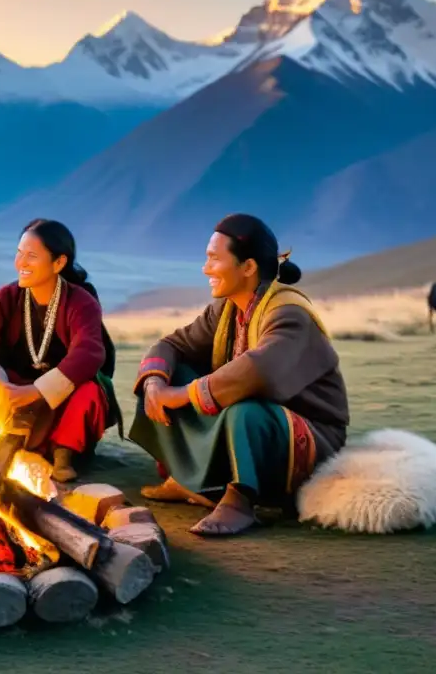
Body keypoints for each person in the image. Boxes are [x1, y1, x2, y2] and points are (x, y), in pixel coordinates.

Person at [128, 213, 350, 537]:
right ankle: (188, 479)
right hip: (257, 422)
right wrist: (155, 384)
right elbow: (172, 344)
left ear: (248, 267)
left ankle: (240, 500)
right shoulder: (225, 309)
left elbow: (259, 371)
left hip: (309, 438)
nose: (205, 269)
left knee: (243, 412)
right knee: (167, 375)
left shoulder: (289, 313)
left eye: (214, 259)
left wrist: (179, 395)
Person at [0, 218, 121, 482]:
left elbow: (89, 352)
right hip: (15, 392)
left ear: (59, 263)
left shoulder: (81, 301)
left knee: (90, 391)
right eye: (19, 254)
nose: (21, 263)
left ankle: (63, 454)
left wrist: (37, 391)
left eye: (31, 256)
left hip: (61, 398)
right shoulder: (7, 297)